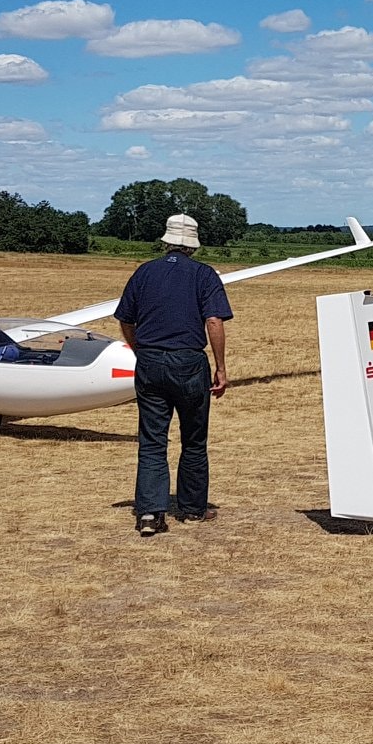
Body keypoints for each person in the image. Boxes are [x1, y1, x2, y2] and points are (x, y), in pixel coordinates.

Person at [113, 213, 233, 537]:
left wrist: (140, 348)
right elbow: (214, 322)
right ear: (192, 245)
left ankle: (151, 514)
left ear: (166, 241)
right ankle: (193, 510)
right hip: (190, 363)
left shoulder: (144, 272)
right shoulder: (205, 275)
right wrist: (221, 367)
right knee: (194, 439)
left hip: (150, 361)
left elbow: (124, 318)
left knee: (152, 441)